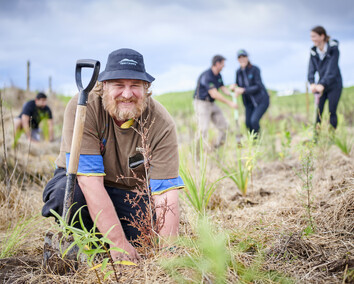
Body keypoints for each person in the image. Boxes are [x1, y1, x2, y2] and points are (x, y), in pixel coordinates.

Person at [42, 48, 184, 263]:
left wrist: (169, 256)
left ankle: (116, 240)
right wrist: (117, 242)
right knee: (68, 197)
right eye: (119, 85)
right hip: (81, 183)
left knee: (150, 227)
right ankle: (92, 245)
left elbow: (166, 195)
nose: (127, 94)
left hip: (127, 191)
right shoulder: (83, 106)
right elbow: (90, 182)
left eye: (135, 85)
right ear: (103, 86)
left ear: (146, 89)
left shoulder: (161, 123)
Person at [193, 55, 237, 148]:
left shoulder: (219, 75)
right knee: (203, 129)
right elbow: (214, 94)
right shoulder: (207, 76)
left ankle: (217, 148)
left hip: (212, 104)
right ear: (217, 64)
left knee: (224, 127)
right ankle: (198, 154)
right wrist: (230, 103)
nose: (224, 66)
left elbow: (222, 88)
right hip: (202, 103)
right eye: (223, 64)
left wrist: (232, 93)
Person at [308, 25, 342, 130]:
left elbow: (331, 70)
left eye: (314, 36)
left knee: (332, 110)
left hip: (334, 84)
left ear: (322, 36)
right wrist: (312, 82)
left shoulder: (333, 50)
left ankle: (332, 136)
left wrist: (322, 84)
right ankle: (316, 137)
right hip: (321, 85)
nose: (312, 39)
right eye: (311, 36)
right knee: (318, 111)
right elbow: (311, 68)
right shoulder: (313, 52)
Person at [231, 49, 269, 136]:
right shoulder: (238, 72)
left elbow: (258, 86)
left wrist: (244, 90)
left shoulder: (255, 69)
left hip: (261, 100)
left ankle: (257, 141)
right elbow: (238, 85)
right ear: (238, 60)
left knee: (254, 121)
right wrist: (234, 88)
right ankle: (252, 143)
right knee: (248, 123)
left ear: (247, 57)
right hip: (248, 103)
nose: (242, 59)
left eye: (243, 57)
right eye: (240, 58)